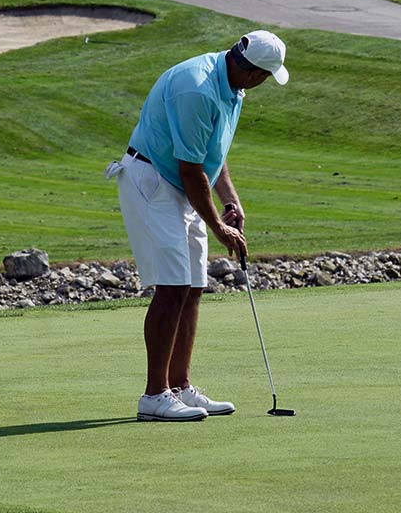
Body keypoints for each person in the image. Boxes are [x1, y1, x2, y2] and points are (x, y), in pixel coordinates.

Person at [105, 30, 289, 421]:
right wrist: (220, 228)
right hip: (154, 179)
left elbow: (212, 155)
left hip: (182, 182)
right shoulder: (198, 89)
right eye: (266, 77)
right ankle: (154, 396)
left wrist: (230, 201)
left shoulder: (232, 88)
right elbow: (190, 171)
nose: (264, 84)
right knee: (172, 287)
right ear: (252, 70)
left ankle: (180, 387)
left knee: (193, 286)